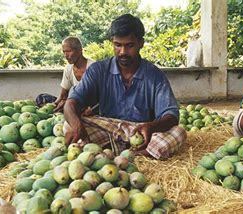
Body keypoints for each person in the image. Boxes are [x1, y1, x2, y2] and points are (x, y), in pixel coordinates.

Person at [63, 14, 186, 160]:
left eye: (129, 45)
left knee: (178, 133)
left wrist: (150, 127)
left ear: (141, 43)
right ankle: (135, 154)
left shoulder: (155, 75)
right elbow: (71, 103)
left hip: (141, 132)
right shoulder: (98, 70)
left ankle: (130, 156)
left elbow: (171, 115)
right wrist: (77, 127)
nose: (123, 52)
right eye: (117, 45)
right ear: (112, 43)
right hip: (109, 127)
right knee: (69, 125)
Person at [36, 36, 94, 116]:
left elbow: (103, 96)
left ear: (80, 50)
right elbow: (63, 96)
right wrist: (52, 106)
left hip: (92, 106)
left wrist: (91, 109)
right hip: (75, 104)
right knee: (42, 98)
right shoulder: (68, 69)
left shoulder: (94, 67)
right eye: (64, 52)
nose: (66, 55)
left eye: (69, 51)